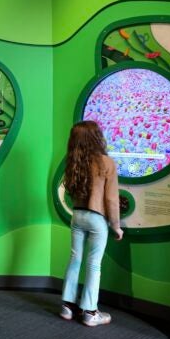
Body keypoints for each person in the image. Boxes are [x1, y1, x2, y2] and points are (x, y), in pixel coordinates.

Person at [60, 120, 124, 326]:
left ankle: (67, 306)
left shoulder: (73, 161)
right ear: (96, 137)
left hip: (77, 216)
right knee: (93, 265)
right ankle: (89, 312)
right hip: (97, 219)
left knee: (74, 260)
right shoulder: (106, 162)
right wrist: (116, 226)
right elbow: (112, 199)